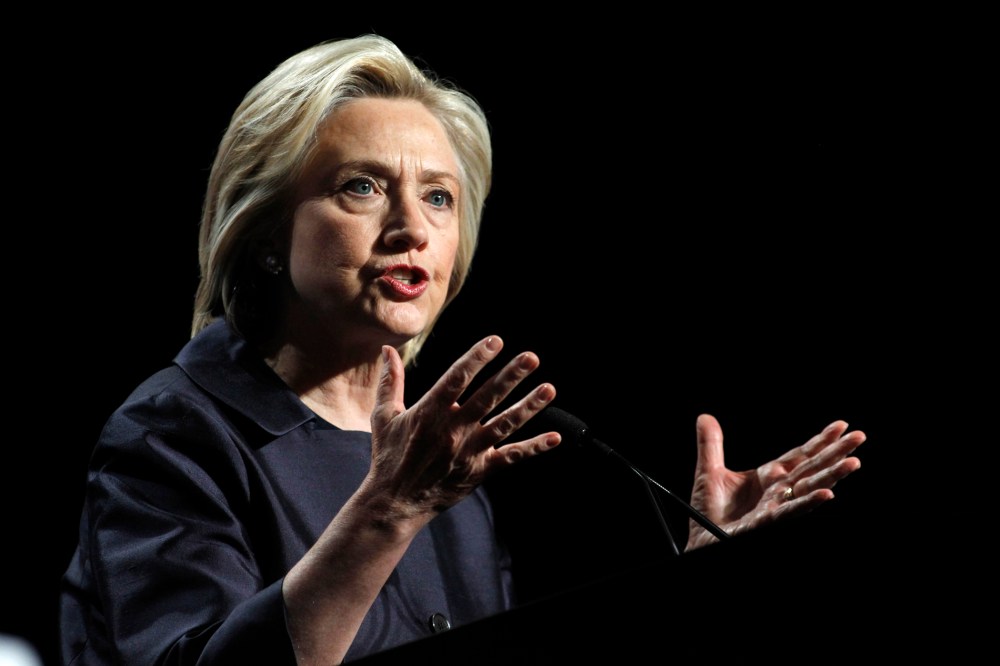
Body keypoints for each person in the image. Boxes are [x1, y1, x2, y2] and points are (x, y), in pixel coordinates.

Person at [58, 34, 866, 665]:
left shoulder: (438, 459)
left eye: (439, 197)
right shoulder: (174, 432)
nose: (413, 227)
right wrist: (388, 513)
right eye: (362, 187)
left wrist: (697, 588)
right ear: (267, 233)